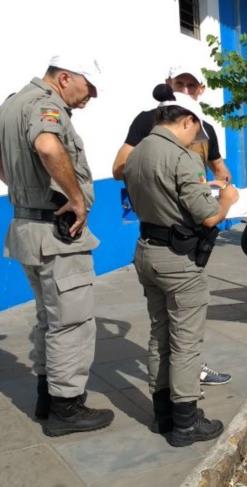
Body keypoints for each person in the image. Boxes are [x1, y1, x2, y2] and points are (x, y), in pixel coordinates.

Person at [0, 54, 114, 436]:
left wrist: (19, 188)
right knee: (72, 322)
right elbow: (48, 148)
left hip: (26, 228)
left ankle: (47, 397)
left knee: (50, 318)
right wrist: (76, 197)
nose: (91, 97)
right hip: (55, 234)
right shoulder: (46, 107)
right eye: (88, 88)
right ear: (65, 77)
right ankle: (67, 409)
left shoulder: (13, 103)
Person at [123, 92, 239, 447]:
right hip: (177, 260)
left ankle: (163, 415)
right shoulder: (181, 157)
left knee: (159, 333)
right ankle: (186, 423)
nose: (197, 140)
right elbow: (207, 217)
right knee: (186, 342)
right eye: (197, 132)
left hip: (146, 250)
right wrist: (226, 201)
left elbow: (160, 193)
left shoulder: (137, 151)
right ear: (187, 121)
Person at [112, 66, 232, 387]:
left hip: (181, 238)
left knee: (167, 330)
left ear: (200, 89)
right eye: (180, 83)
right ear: (169, 85)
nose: (186, 89)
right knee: (183, 336)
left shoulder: (204, 127)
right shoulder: (147, 122)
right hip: (172, 239)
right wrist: (176, 178)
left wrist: (214, 184)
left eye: (191, 84)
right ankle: (185, 416)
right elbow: (121, 167)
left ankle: (164, 408)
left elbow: (220, 169)